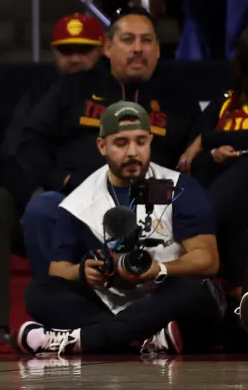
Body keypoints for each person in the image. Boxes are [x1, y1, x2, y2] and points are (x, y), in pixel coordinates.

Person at [16, 101, 222, 356]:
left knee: (194, 292)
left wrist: (161, 268)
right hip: (111, 299)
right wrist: (83, 271)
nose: (132, 152)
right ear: (102, 146)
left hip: (165, 294)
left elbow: (208, 260)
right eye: (121, 143)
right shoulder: (81, 199)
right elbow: (58, 268)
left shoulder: (177, 187)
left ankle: (83, 339)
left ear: (150, 141)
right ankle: (144, 338)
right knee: (38, 292)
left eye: (141, 141)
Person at [17, 7, 201, 276]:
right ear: (107, 46)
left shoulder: (180, 100)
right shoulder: (73, 88)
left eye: (147, 40)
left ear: (158, 49)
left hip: (152, 200)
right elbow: (31, 143)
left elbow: (192, 162)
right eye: (128, 40)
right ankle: (58, 298)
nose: (138, 48)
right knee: (41, 209)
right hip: (79, 194)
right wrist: (64, 181)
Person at [0, 12, 104, 347]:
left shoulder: (112, 91)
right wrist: (42, 188)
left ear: (102, 50)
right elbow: (13, 155)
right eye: (66, 50)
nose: (75, 58)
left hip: (95, 198)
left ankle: (64, 313)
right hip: (46, 196)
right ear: (54, 54)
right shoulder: (37, 94)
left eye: (84, 49)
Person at [178, 25, 248, 314]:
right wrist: (214, 153)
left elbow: (206, 139)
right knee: (241, 204)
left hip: (221, 200)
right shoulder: (225, 103)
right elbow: (192, 158)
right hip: (227, 195)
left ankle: (198, 226)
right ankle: (239, 296)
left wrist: (214, 141)